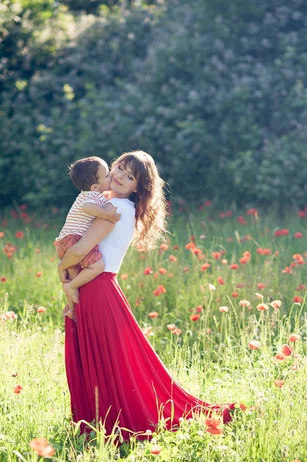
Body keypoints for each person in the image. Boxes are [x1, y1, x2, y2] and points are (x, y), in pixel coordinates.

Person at [58, 150, 233, 441]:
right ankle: (100, 421)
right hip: (94, 285)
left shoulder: (118, 210)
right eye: (120, 169)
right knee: (104, 359)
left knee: (109, 362)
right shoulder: (105, 202)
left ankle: (114, 421)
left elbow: (77, 251)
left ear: (138, 187)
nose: (120, 177)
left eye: (130, 177)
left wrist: (61, 269)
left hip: (98, 288)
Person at [55, 156, 121, 319]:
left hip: (64, 240)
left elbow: (104, 202)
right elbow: (88, 208)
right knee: (97, 266)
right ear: (94, 186)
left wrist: (107, 206)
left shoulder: (89, 194)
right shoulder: (91, 197)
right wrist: (106, 214)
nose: (111, 175)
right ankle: (71, 287)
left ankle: (72, 310)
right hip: (74, 239)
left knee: (74, 275)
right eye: (107, 175)